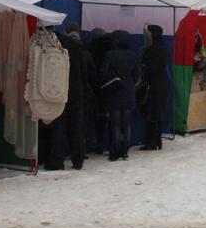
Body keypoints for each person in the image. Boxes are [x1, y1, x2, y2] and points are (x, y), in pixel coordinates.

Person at [46, 22, 94, 170]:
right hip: (76, 90)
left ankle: (56, 160)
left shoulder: (51, 45)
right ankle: (78, 159)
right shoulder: (75, 46)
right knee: (76, 126)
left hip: (58, 90)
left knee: (58, 126)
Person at [99, 30, 139, 161]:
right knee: (126, 123)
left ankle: (115, 150)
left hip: (115, 92)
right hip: (129, 92)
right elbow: (137, 75)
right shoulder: (133, 55)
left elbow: (103, 73)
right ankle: (125, 149)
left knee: (115, 122)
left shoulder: (110, 54)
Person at [138, 24, 169, 150]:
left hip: (152, 85)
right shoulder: (163, 48)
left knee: (151, 113)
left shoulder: (152, 50)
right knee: (157, 114)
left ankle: (151, 142)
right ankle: (157, 141)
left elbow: (151, 69)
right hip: (161, 84)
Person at [88, 27, 114, 155]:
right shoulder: (111, 47)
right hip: (110, 87)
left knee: (99, 119)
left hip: (96, 87)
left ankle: (99, 143)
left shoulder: (91, 47)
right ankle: (111, 144)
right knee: (111, 118)